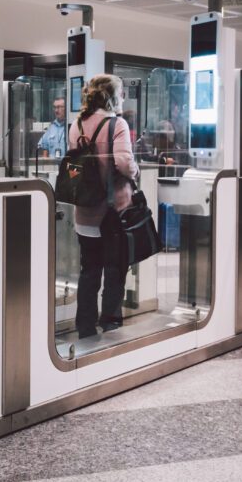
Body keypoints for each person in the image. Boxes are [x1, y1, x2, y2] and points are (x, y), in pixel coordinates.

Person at [68, 74, 139, 338]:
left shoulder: (77, 125)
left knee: (89, 271)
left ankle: (85, 327)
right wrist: (135, 170)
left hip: (85, 211)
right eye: (120, 93)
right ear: (111, 96)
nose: (122, 98)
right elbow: (122, 162)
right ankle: (110, 322)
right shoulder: (116, 124)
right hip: (112, 211)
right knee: (114, 269)